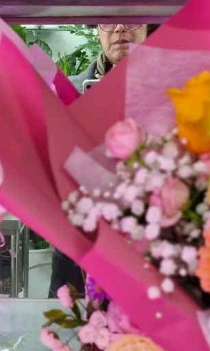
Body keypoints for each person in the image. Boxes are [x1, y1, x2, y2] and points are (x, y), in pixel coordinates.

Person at [48, 23, 154, 300]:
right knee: (74, 319)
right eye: (107, 21)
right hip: (77, 241)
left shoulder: (171, 89)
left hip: (150, 239)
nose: (119, 29)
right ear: (96, 29)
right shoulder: (68, 91)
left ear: (147, 25)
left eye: (132, 20)